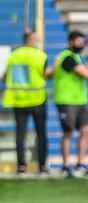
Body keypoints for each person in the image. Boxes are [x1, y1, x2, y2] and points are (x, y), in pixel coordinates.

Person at [2, 30, 50, 174]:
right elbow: (46, 74)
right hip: (37, 99)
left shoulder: (14, 55)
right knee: (41, 133)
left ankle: (21, 166)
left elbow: (5, 76)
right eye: (36, 39)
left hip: (19, 99)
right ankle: (42, 166)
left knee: (20, 135)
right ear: (32, 40)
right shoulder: (40, 55)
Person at [53, 30, 88, 178]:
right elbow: (85, 74)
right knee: (67, 132)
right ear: (70, 42)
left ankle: (80, 164)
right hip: (66, 101)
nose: (81, 44)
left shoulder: (77, 57)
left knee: (85, 131)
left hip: (80, 100)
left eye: (82, 42)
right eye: (78, 42)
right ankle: (66, 166)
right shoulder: (66, 58)